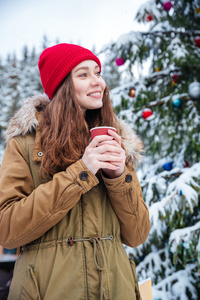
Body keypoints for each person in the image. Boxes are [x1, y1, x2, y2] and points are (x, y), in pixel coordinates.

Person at [0, 43, 150, 300]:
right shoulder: (25, 144)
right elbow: (7, 230)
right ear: (62, 87)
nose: (98, 82)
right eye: (83, 74)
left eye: (98, 72)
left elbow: (137, 235)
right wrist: (81, 172)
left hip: (116, 290)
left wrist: (117, 178)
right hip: (47, 290)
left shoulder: (115, 142)